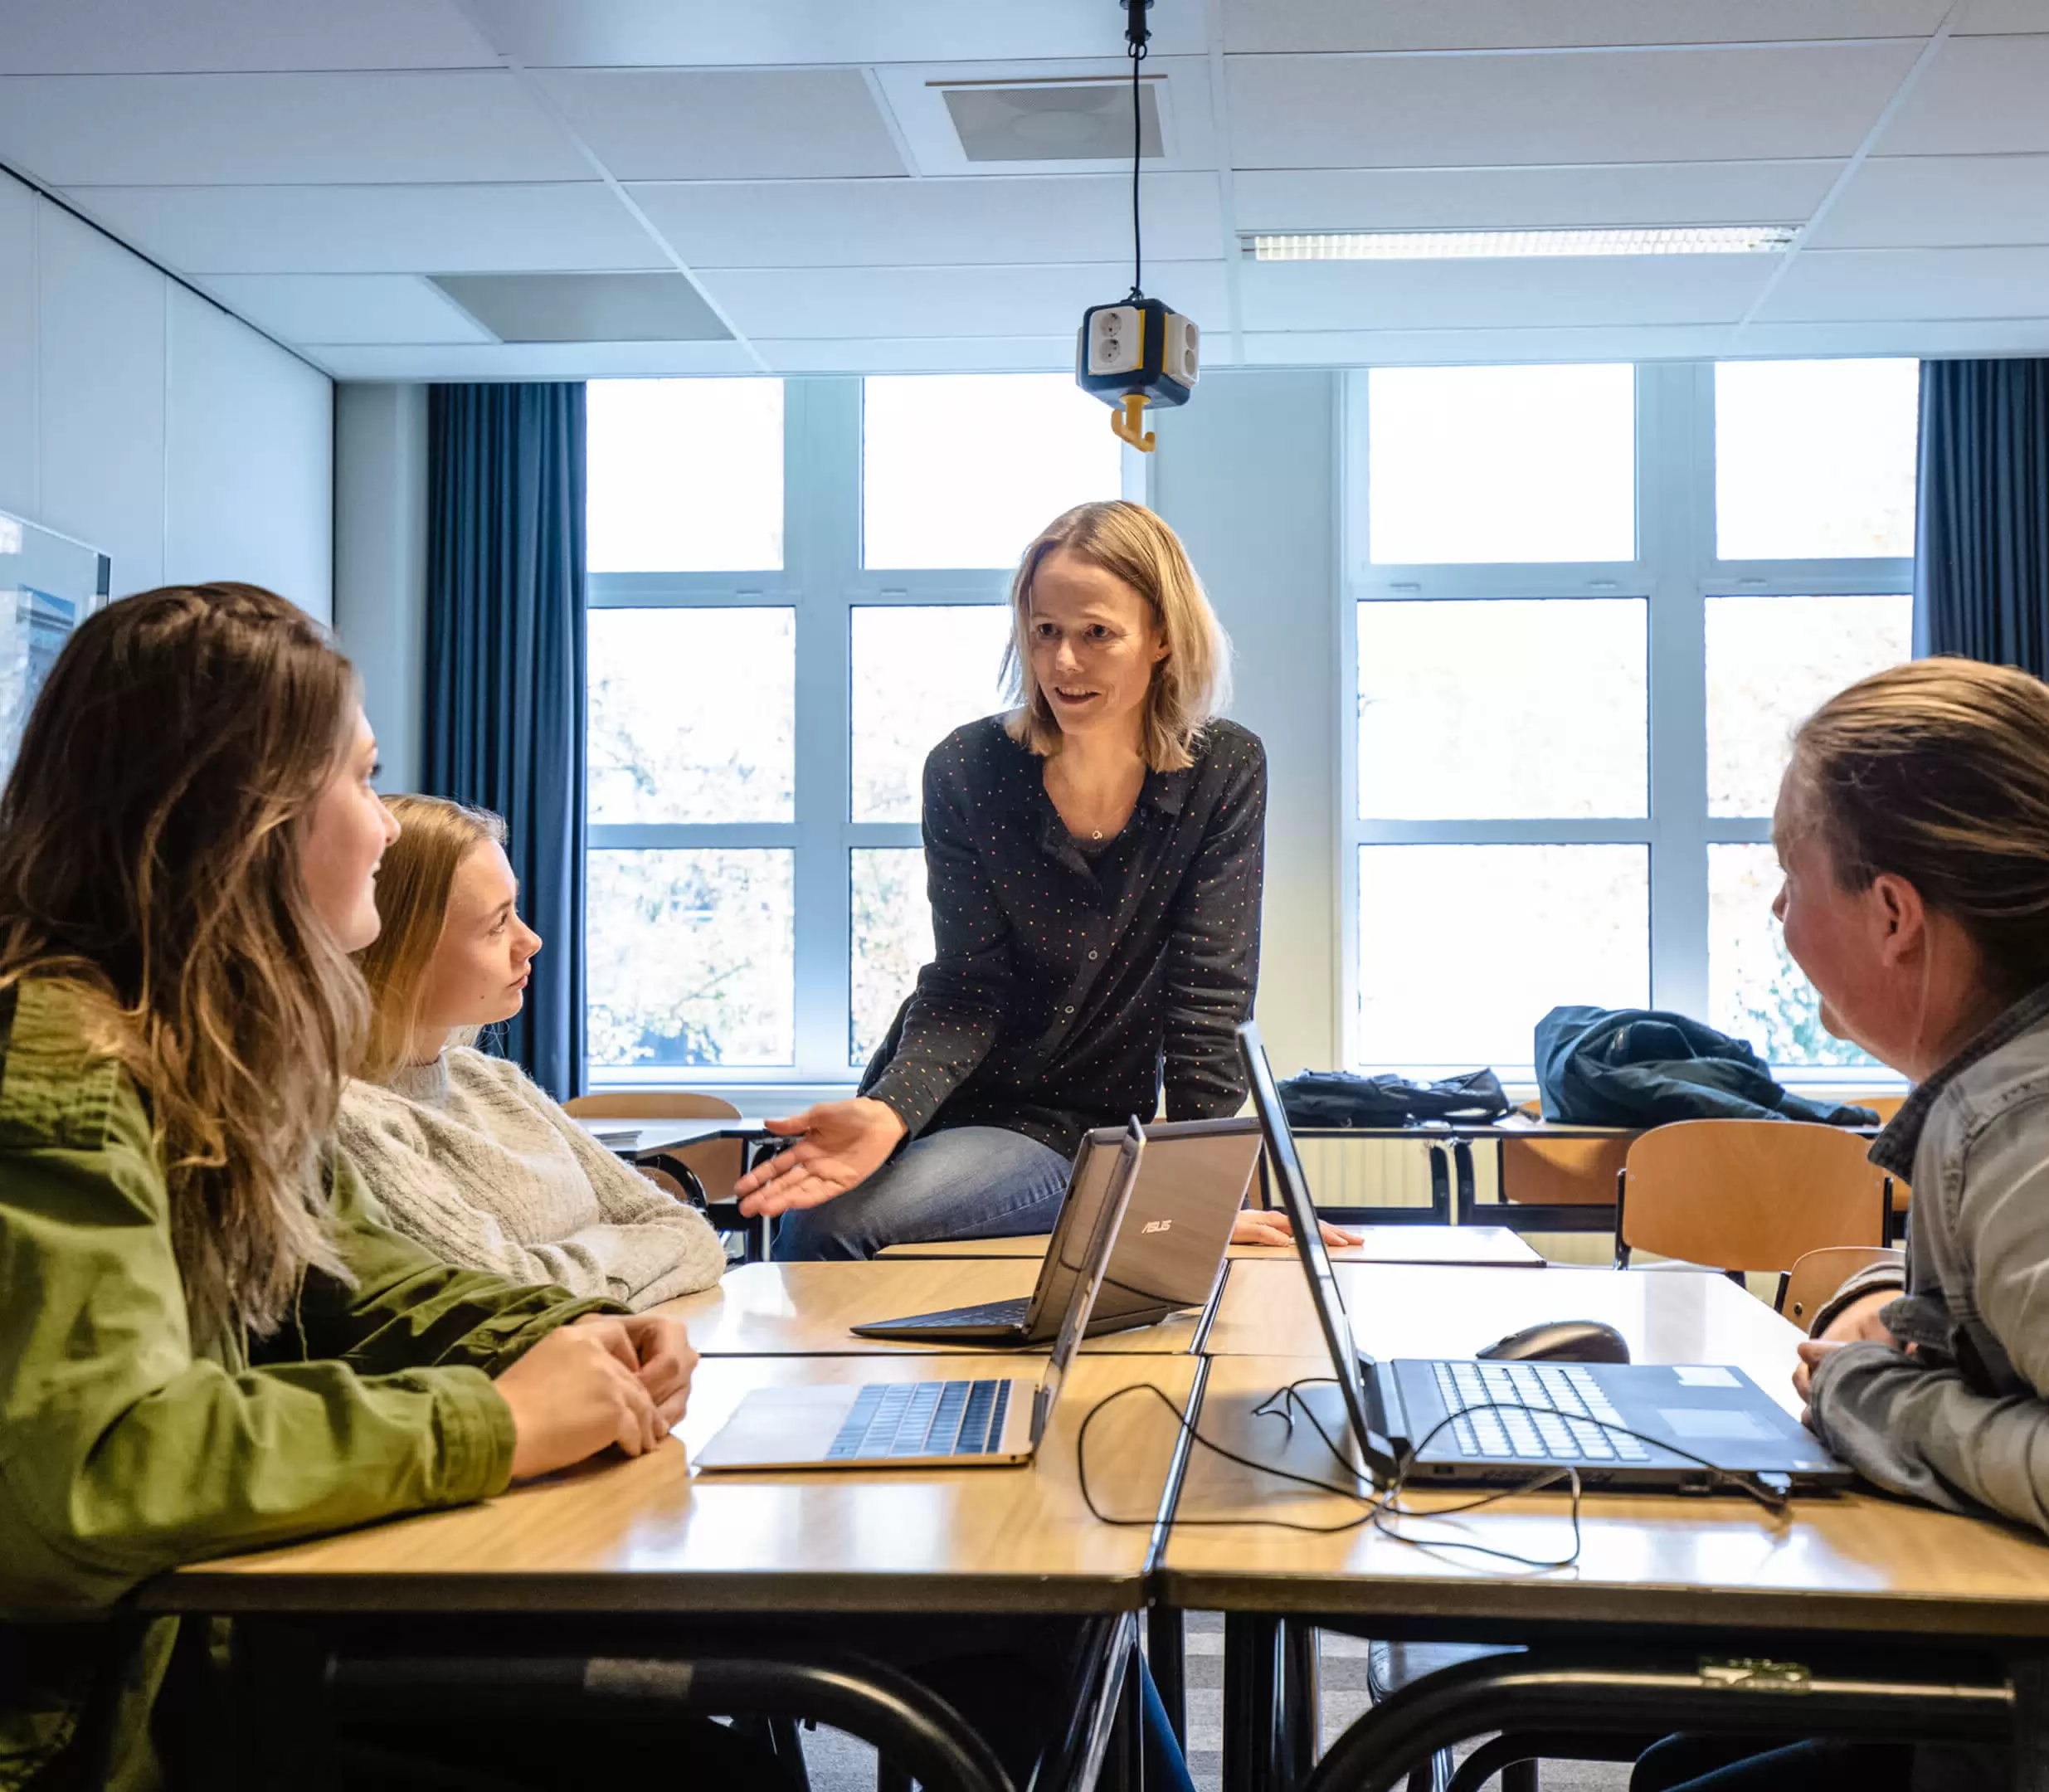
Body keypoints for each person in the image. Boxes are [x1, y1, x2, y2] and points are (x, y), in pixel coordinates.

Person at [0, 585, 704, 1790]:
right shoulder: (59, 1065)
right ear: (252, 816)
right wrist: (496, 1421)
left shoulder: (213, 1051)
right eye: (364, 781)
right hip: (95, 1734)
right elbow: (95, 1472)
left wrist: (574, 1335)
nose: (385, 826)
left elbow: (361, 1287)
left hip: (202, 1671)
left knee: (679, 1752)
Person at [1635, 658, 2049, 1792]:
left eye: (1788, 872)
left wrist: (1880, 1397)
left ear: (1895, 912)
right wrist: (1885, 1294)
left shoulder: (2045, 1122)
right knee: (1684, 1759)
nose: (1778, 912)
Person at [738, 499, 1355, 1259]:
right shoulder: (967, 768)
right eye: (1045, 632)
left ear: (1163, 636)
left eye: (1097, 633)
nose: (1064, 662)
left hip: (1071, 1131)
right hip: (941, 1101)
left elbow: (1209, 998)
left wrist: (1197, 1195)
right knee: (818, 1224)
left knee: (834, 1227)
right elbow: (967, 987)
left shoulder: (1222, 769)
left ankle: (1107, 1199)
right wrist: (890, 1110)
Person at [340, 794, 726, 1309]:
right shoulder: (352, 1120)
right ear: (402, 949)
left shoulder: (493, 1082)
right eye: (498, 923)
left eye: (515, 910)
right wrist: (623, 1261)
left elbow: (692, 1233)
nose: (532, 940)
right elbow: (514, 1298)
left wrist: (566, 1274)